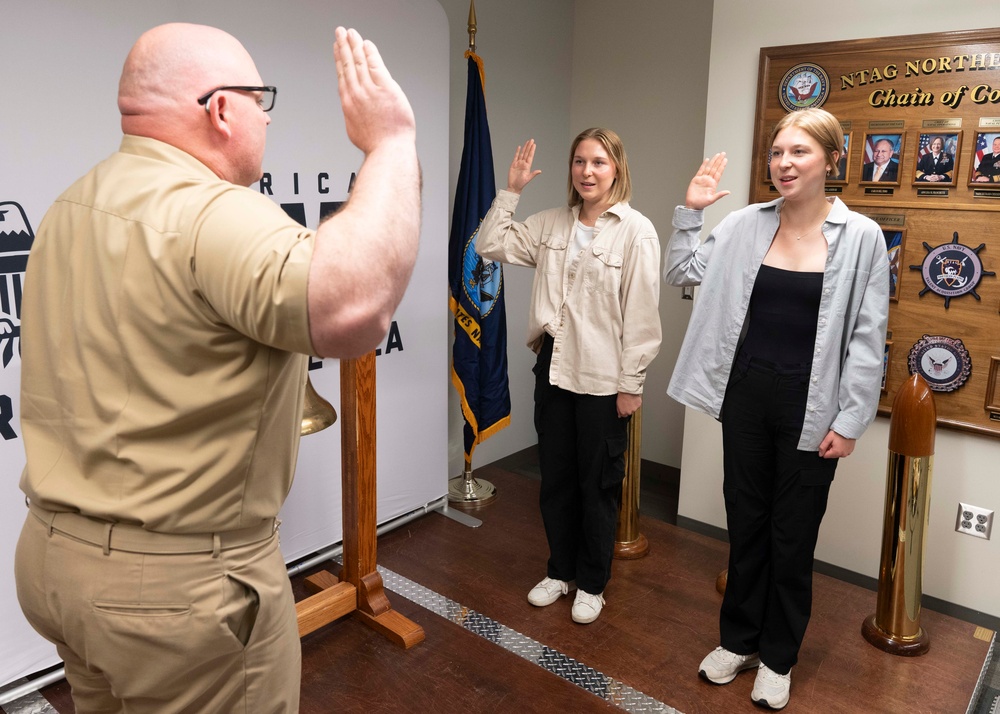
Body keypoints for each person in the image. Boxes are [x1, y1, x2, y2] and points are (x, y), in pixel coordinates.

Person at [15, 23, 420, 713]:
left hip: (55, 567)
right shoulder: (211, 212)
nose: (265, 117)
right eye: (261, 99)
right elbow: (354, 310)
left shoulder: (69, 205)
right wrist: (391, 142)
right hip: (178, 600)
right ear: (222, 109)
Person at [663, 108, 889, 710]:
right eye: (776, 152)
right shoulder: (741, 225)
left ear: (832, 160)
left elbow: (869, 338)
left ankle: (779, 656)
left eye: (799, 153)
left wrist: (850, 420)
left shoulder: (862, 237)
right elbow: (682, 272)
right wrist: (693, 211)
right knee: (747, 525)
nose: (783, 164)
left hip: (812, 404)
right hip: (745, 396)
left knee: (793, 537)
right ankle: (738, 641)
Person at [477, 129, 661, 625]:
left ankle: (593, 583)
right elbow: (488, 244)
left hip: (604, 375)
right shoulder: (550, 223)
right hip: (554, 366)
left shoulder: (636, 231)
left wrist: (631, 384)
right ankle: (560, 571)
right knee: (556, 479)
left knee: (596, 484)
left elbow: (642, 316)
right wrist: (511, 189)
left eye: (598, 162)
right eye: (579, 161)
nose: (587, 171)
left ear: (616, 168)